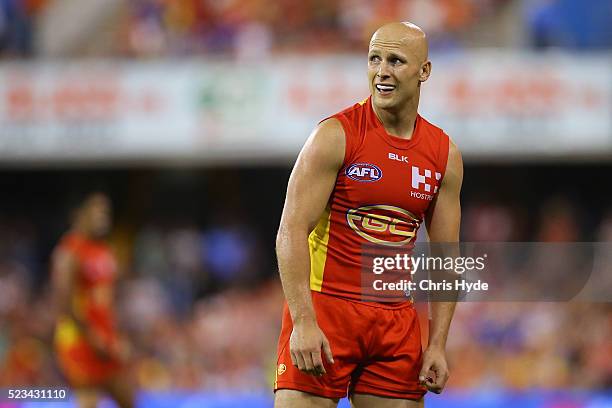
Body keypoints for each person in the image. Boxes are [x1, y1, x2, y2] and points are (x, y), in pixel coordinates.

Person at [274, 22, 463, 407]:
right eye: (374, 59)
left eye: (396, 60)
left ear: (424, 71)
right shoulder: (335, 136)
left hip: (395, 323)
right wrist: (303, 321)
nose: (382, 71)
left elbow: (446, 260)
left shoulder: (444, 156)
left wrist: (438, 344)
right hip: (327, 311)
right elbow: (291, 230)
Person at [51, 192, 134, 408]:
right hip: (78, 338)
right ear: (78, 214)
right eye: (96, 210)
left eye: (105, 211)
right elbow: (64, 305)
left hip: (105, 336)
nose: (103, 217)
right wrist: (94, 339)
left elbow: (109, 300)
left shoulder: (104, 250)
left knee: (127, 397)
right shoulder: (68, 252)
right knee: (88, 401)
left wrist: (115, 335)